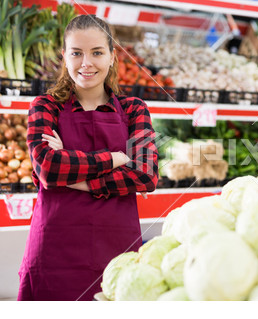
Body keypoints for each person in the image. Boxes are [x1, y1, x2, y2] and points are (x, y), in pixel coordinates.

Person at [17, 15, 159, 301]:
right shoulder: (45, 106)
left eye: (96, 52)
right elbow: (47, 169)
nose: (86, 63)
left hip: (115, 249)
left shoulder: (134, 109)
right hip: (54, 252)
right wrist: (115, 158)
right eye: (76, 53)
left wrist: (74, 178)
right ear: (65, 56)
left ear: (112, 56)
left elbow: (146, 174)